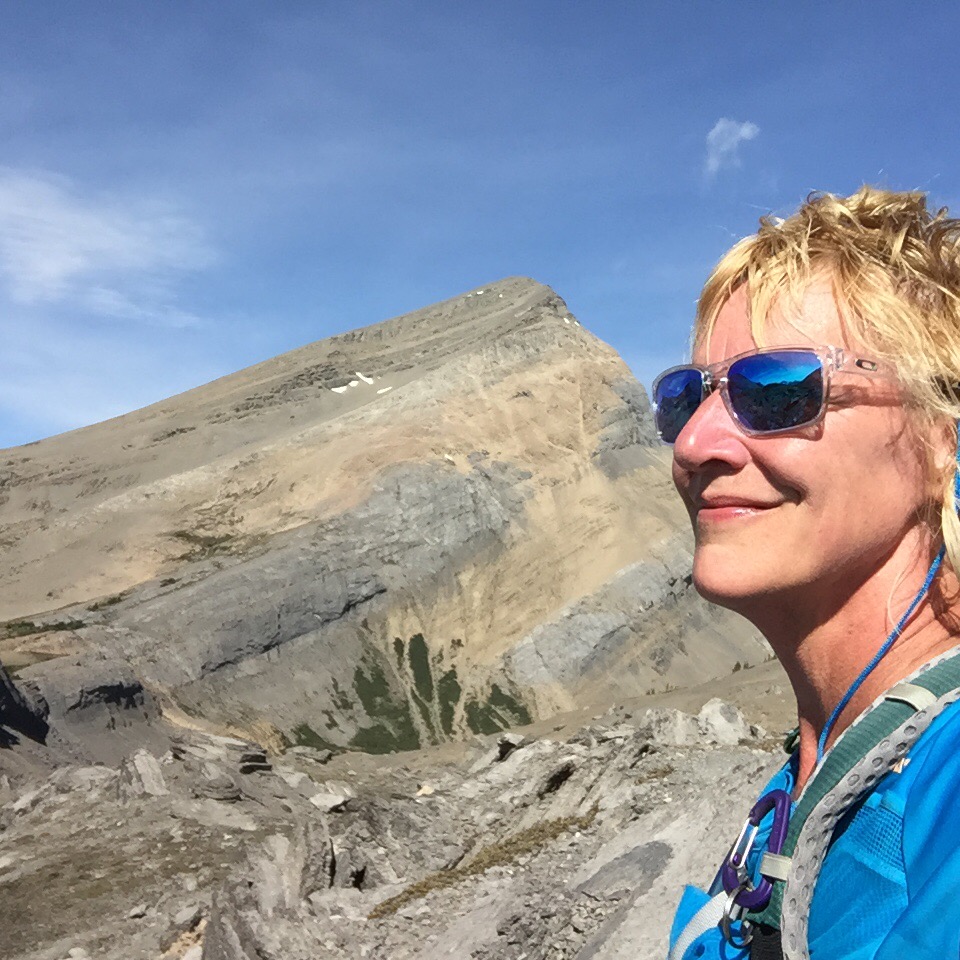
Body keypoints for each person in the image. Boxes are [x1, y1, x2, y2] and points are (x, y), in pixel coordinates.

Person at [655, 187, 960, 960]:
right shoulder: (821, 763)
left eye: (777, 390)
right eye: (685, 399)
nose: (693, 443)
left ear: (943, 436)